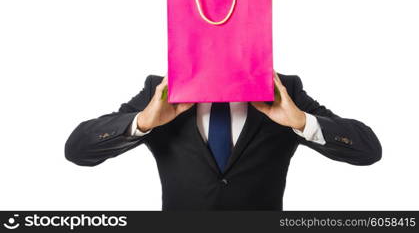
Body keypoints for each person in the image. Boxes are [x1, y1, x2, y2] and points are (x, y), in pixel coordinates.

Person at [65, 71, 381, 210]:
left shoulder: (284, 89)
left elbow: (368, 150)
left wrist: (301, 121)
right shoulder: (161, 90)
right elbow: (78, 149)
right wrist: (143, 122)